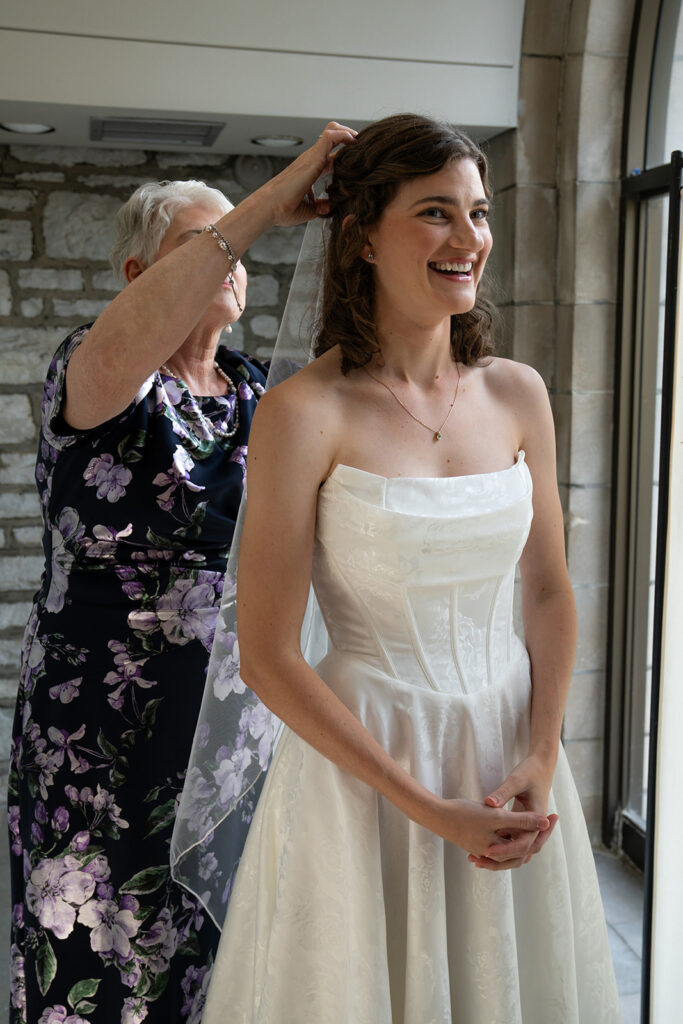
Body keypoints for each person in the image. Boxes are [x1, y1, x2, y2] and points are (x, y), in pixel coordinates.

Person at [189, 114, 622, 1023]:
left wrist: (542, 751)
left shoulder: (518, 392)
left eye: (478, 212)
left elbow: (547, 589)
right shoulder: (304, 411)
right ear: (361, 237)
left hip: (507, 749)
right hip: (366, 767)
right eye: (435, 212)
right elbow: (267, 655)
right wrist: (426, 808)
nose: (469, 238)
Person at [7, 122, 357, 1024]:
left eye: (236, 244)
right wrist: (270, 203)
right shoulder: (94, 371)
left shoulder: (263, 393)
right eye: (208, 242)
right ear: (139, 275)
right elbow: (124, 354)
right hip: (98, 730)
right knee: (94, 951)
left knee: (222, 951)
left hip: (236, 726)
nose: (232, 258)